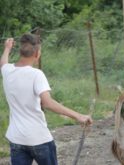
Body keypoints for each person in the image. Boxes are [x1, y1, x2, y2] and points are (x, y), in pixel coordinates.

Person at [0, 33, 93, 165]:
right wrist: (78, 116)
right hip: (39, 138)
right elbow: (47, 103)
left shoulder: (7, 71)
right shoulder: (36, 75)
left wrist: (7, 48)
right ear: (37, 54)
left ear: (21, 52)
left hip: (16, 139)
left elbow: (3, 62)